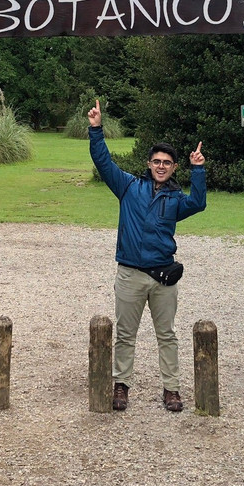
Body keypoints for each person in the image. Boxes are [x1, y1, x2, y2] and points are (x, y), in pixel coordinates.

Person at [87, 99, 206, 413]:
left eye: (167, 162)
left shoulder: (176, 200)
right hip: (130, 274)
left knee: (167, 334)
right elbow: (103, 163)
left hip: (163, 278)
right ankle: (121, 386)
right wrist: (96, 130)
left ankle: (172, 390)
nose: (162, 166)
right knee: (126, 334)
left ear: (174, 167)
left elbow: (199, 203)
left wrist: (199, 170)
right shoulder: (129, 187)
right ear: (149, 163)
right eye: (157, 161)